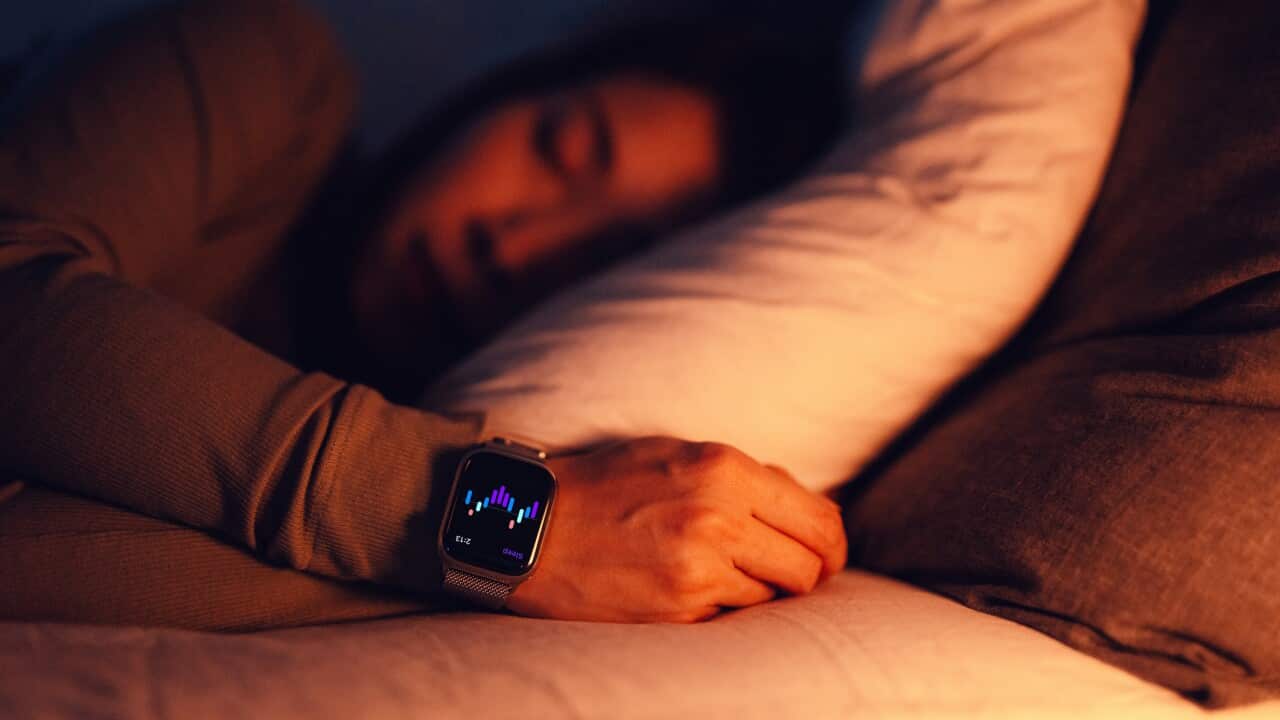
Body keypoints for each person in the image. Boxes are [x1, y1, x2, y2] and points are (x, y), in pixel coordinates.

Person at [0, 0, 849, 630]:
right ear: (500, 95)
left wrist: (449, 558)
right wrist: (487, 519)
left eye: (607, 262)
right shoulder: (262, 59)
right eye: (561, 150)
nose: (514, 244)